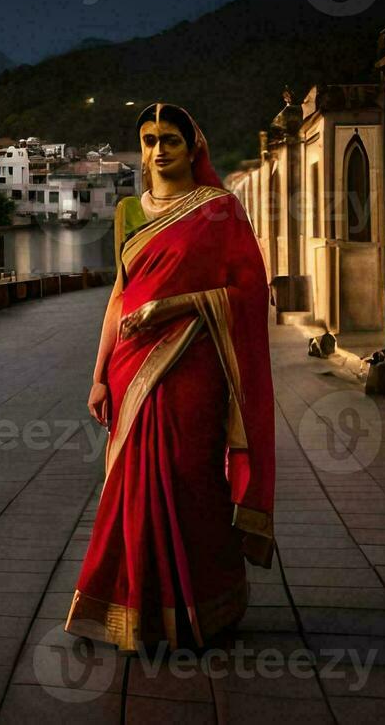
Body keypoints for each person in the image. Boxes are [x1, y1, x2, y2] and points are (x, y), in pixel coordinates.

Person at [65, 102, 276, 652]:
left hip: (193, 364)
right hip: (129, 363)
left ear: (193, 146)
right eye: (150, 139)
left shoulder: (219, 210)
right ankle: (129, 604)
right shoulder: (130, 213)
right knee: (129, 486)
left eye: (171, 140)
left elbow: (251, 294)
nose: (159, 150)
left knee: (190, 477)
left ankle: (205, 602)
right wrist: (97, 376)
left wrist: (171, 307)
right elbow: (118, 294)